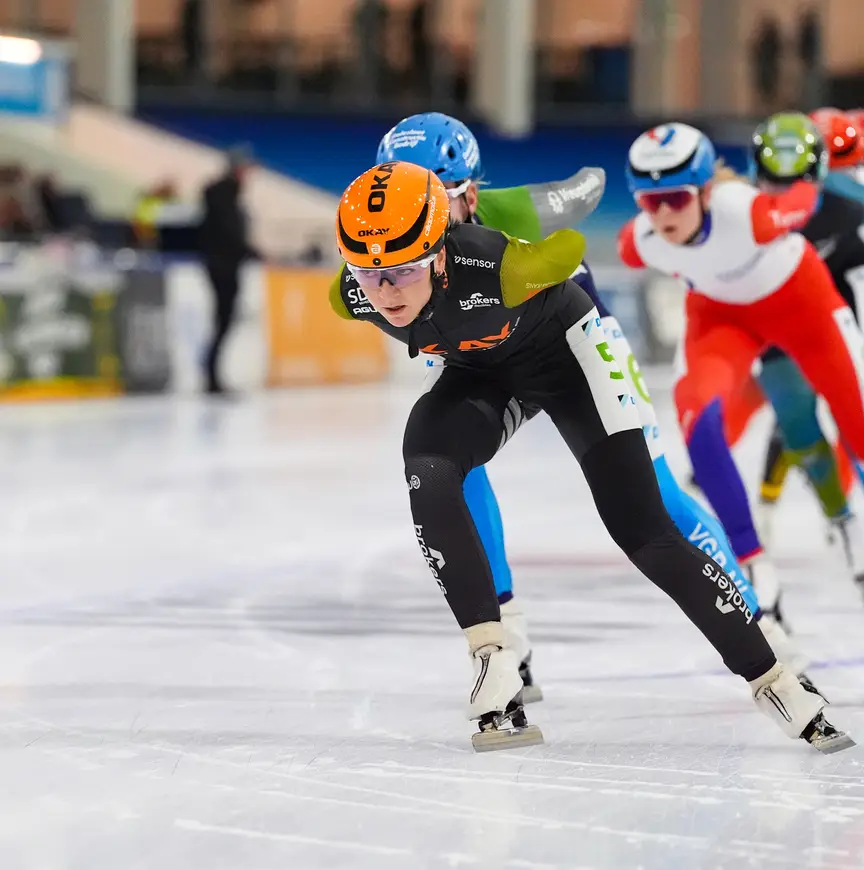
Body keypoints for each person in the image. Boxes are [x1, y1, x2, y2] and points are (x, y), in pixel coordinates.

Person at [330, 159, 851, 753]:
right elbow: (372, 280)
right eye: (368, 275)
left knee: (644, 529)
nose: (384, 292)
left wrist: (517, 224)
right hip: (481, 371)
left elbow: (570, 243)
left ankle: (774, 678)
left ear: (440, 254)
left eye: (402, 271)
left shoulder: (497, 266)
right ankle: (493, 658)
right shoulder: (353, 293)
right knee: (428, 467)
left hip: (569, 359)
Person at [375, 112, 812, 689]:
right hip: (480, 354)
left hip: (568, 338)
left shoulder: (509, 215)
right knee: (452, 470)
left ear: (472, 195)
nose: (415, 217)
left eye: (435, 200)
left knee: (652, 493)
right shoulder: (400, 251)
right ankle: (507, 631)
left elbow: (587, 188)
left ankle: (755, 616)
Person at [618, 122, 864, 636]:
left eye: (676, 197)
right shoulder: (638, 241)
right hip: (723, 319)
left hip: (804, 305)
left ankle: (844, 523)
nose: (662, 214)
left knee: (856, 421)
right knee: (701, 429)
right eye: (649, 200)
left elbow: (804, 195)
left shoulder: (749, 213)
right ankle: (757, 571)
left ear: (706, 190)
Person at [747, 111, 864, 593]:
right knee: (797, 425)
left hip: (835, 327)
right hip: (777, 334)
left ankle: (839, 522)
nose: (786, 195)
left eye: (795, 182)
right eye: (775, 182)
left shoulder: (850, 208)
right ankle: (841, 519)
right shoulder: (741, 213)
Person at [198, 146, 258, 395]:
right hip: (223, 266)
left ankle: (213, 376)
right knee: (222, 320)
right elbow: (228, 233)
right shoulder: (225, 194)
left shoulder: (227, 195)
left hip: (223, 264)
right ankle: (211, 376)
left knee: (223, 321)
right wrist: (251, 251)